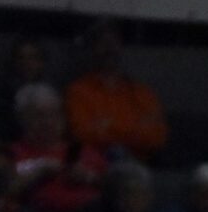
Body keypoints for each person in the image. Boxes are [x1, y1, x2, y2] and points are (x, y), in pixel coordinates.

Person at [63, 21, 166, 159]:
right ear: (92, 48)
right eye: (102, 43)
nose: (109, 49)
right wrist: (134, 129)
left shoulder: (142, 93)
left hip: (136, 168)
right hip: (92, 167)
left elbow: (157, 137)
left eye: (114, 42)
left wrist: (106, 128)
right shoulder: (77, 92)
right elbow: (80, 135)